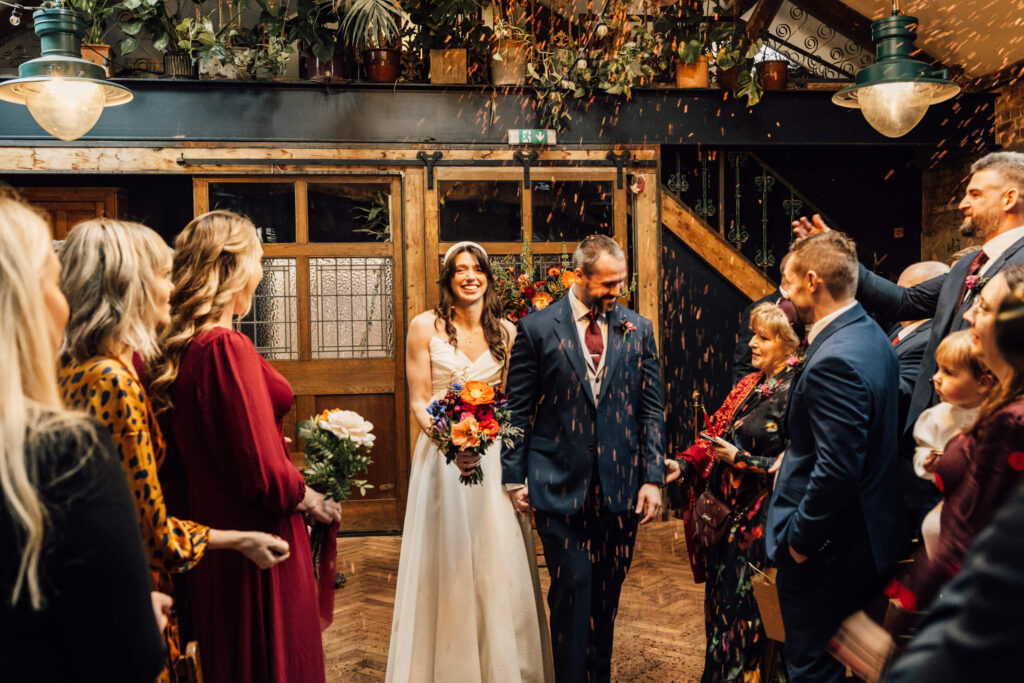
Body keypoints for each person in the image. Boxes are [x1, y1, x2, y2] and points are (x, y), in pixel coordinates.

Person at [56, 218, 291, 680]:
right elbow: (149, 527)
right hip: (133, 591)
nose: (172, 288)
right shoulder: (113, 380)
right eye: (163, 276)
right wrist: (240, 539)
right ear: (131, 286)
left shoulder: (76, 370)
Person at [150, 210, 340, 683]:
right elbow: (264, 473)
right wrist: (308, 496)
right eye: (259, 255)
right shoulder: (222, 347)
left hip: (219, 526)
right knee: (271, 659)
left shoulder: (189, 346)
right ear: (234, 265)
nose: (262, 266)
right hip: (259, 535)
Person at [0, 198, 166, 682]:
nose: (64, 302)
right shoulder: (62, 448)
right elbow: (128, 652)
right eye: (53, 282)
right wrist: (139, 617)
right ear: (21, 304)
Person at [386, 241, 553, 682]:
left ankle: (502, 663)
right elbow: (421, 402)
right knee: (448, 555)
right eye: (459, 269)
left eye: (476, 269)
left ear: (487, 278)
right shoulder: (424, 327)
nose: (469, 276)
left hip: (493, 453)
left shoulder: (508, 332)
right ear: (448, 278)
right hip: (443, 458)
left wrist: (484, 441)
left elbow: (511, 404)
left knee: (495, 551)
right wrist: (451, 445)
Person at [502, 234, 666, 683]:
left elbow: (651, 407)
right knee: (573, 592)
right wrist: (513, 477)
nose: (617, 293)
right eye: (607, 284)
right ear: (579, 276)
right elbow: (516, 409)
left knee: (605, 601)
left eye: (621, 283)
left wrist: (652, 477)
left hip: (619, 489)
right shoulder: (537, 328)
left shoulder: (639, 328)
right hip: (556, 485)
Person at [794, 152, 1024, 438]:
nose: (963, 204)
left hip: (989, 427)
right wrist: (837, 257)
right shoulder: (969, 263)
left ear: (1009, 198)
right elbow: (907, 301)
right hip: (932, 421)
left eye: (975, 195)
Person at [765, 231, 903, 683]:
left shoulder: (835, 359)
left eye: (786, 283)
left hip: (829, 551)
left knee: (811, 668)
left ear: (812, 281)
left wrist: (801, 542)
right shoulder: (870, 334)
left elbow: (837, 470)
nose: (783, 293)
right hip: (863, 538)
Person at [881, 279, 1024, 683]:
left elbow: (965, 540)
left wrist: (898, 615)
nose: (967, 315)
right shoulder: (1002, 407)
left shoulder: (1013, 421)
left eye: (984, 307)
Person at [669, 301, 800, 682]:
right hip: (726, 522)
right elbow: (716, 435)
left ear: (789, 343)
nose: (752, 345)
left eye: (764, 338)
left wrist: (740, 459)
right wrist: (683, 464)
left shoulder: (797, 388)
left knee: (748, 618)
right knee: (719, 611)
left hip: (757, 523)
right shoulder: (750, 383)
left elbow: (794, 467)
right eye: (753, 335)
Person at [912, 330, 995, 557]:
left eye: (949, 373)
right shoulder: (936, 418)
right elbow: (922, 450)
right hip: (948, 501)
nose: (937, 377)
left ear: (983, 383)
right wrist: (927, 464)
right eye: (938, 369)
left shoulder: (997, 418)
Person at [888, 261, 951, 534]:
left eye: (905, 292)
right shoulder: (899, 329)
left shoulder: (928, 337)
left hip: (904, 467)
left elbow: (902, 392)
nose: (897, 299)